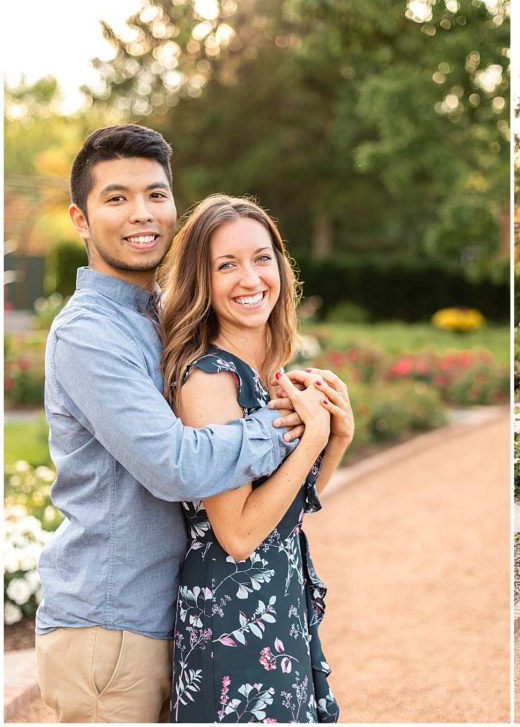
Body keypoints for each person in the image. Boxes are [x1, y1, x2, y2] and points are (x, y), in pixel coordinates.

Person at [36, 125, 307, 723]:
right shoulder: (88, 334)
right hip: (110, 628)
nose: (143, 214)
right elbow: (175, 466)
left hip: (175, 618)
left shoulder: (164, 315)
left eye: (156, 195)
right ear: (80, 220)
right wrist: (280, 424)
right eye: (117, 198)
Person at [160, 195, 352, 722]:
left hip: (276, 604)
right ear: (202, 279)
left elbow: (285, 514)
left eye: (262, 257)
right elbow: (239, 535)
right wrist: (310, 441)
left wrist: (335, 439)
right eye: (227, 264)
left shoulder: (269, 373)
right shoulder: (211, 380)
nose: (250, 278)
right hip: (231, 619)